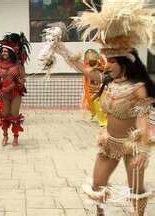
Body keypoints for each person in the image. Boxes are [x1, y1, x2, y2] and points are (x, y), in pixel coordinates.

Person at [55, 1, 155, 215]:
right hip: (108, 144)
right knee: (97, 186)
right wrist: (60, 49)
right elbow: (88, 71)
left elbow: (145, 121)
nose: (106, 65)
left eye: (111, 61)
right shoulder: (109, 81)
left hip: (131, 147)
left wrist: (144, 153)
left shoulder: (138, 88)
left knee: (136, 190)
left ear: (124, 62)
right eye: (105, 61)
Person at [0, 33, 30, 147]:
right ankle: (5, 136)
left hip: (15, 93)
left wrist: (17, 83)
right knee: (4, 115)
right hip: (4, 94)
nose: (3, 52)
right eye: (2, 51)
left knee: (14, 115)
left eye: (6, 51)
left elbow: (23, 78)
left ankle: (15, 138)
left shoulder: (18, 64)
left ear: (11, 52)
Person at [81, 49, 107, 127]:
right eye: (91, 61)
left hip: (101, 86)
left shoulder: (101, 63)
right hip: (91, 87)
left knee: (99, 103)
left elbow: (104, 69)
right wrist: (93, 68)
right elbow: (86, 71)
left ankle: (103, 120)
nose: (93, 63)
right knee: (92, 102)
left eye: (94, 61)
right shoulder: (86, 64)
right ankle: (95, 114)